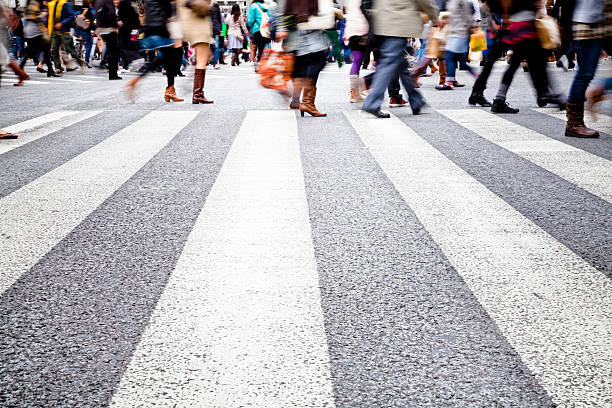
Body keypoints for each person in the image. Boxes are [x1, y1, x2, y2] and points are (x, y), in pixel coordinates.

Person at [361, 0, 439, 118]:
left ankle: (416, 100)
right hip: (398, 23)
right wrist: (435, 17)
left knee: (401, 64)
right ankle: (372, 103)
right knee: (388, 64)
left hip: (384, 21)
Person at [489, 0, 564, 113]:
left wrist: (506, 16)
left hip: (518, 25)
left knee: (521, 62)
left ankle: (500, 98)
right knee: (538, 61)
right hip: (525, 26)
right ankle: (550, 95)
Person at [279, 0, 335, 117]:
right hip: (311, 22)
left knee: (304, 62)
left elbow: (287, 5)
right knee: (318, 60)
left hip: (301, 24)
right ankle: (307, 102)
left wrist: (283, 27)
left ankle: (297, 98)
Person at [564, 0, 610, 137]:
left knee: (585, 74)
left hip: (600, 21)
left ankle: (598, 91)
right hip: (586, 23)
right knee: (585, 74)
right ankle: (574, 123)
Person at [125, 0, 184, 102]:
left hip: (149, 29)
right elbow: (168, 12)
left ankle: (168, 89)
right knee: (170, 58)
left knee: (165, 58)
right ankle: (169, 90)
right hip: (160, 29)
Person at [178, 0, 214, 103]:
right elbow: (205, 7)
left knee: (200, 60)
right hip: (199, 25)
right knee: (202, 60)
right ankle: (198, 94)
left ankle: (197, 92)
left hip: (188, 25)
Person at [436, 0, 477, 90]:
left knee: (450, 58)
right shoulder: (451, 1)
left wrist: (471, 27)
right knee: (456, 60)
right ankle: (451, 80)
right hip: (453, 33)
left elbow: (468, 15)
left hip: (460, 33)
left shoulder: (461, 1)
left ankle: (449, 82)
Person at [20, 0, 58, 76]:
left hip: (31, 30)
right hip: (35, 31)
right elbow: (34, 17)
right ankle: (20, 67)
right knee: (37, 50)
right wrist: (43, 14)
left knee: (43, 50)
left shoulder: (31, 2)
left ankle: (50, 70)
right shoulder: (34, 2)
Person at [48, 0, 85, 74]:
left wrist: (61, 23)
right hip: (54, 30)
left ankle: (81, 63)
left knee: (70, 49)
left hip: (64, 31)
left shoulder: (65, 4)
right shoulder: (52, 4)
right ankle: (58, 67)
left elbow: (71, 16)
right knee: (54, 50)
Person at [343, 0, 369, 103]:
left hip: (352, 30)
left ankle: (354, 93)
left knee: (357, 61)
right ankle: (365, 86)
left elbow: (345, 10)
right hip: (365, 29)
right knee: (380, 60)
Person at [1, 0, 30, 86]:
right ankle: (21, 74)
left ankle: (21, 74)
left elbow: (8, 15)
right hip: (6, 31)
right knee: (5, 56)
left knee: (5, 56)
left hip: (3, 30)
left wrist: (11, 28)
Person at [95, 0, 121, 79]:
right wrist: (116, 25)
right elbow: (110, 15)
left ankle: (110, 70)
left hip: (102, 30)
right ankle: (113, 73)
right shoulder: (108, 2)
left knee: (110, 50)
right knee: (114, 51)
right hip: (110, 29)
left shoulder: (98, 2)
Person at [117, 0, 139, 73]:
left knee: (123, 47)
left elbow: (121, 19)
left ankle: (126, 65)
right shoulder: (132, 7)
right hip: (130, 30)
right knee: (127, 47)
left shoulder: (122, 6)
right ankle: (127, 64)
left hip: (123, 30)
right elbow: (136, 20)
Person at [209, 0, 221, 68]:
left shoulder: (216, 6)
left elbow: (219, 18)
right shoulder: (205, 5)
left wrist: (220, 29)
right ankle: (208, 60)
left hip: (215, 29)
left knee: (216, 47)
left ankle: (215, 62)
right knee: (209, 46)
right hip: (207, 29)